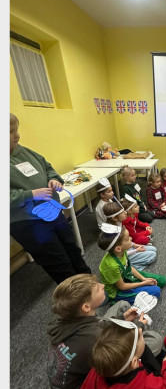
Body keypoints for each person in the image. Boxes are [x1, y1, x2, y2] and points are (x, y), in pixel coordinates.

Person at [46, 273, 163, 389]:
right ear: (86, 307)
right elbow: (118, 348)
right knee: (155, 340)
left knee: (122, 306)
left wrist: (123, 318)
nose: (102, 285)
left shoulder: (66, 319)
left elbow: (97, 323)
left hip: (74, 380)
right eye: (98, 289)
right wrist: (139, 326)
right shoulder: (92, 338)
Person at [10, 112, 91, 284]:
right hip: (28, 222)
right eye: (10, 132)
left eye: (16, 130)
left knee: (72, 249)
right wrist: (31, 194)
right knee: (58, 261)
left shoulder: (23, 151)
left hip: (51, 211)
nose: (17, 135)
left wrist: (54, 179)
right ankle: (76, 296)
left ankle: (91, 285)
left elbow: (47, 167)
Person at [98, 223, 166, 304]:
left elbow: (129, 267)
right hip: (118, 290)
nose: (131, 238)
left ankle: (139, 284)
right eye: (127, 239)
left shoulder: (121, 251)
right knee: (156, 291)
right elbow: (122, 286)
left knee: (162, 280)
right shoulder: (112, 266)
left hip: (126, 275)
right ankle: (118, 300)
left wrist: (143, 278)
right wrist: (143, 283)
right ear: (118, 248)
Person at [103, 199, 157, 270]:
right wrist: (136, 250)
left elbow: (128, 240)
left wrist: (135, 245)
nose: (126, 212)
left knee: (154, 249)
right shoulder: (115, 232)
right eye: (122, 212)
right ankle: (128, 268)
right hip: (123, 255)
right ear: (115, 218)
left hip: (128, 247)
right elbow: (121, 253)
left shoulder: (120, 224)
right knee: (153, 255)